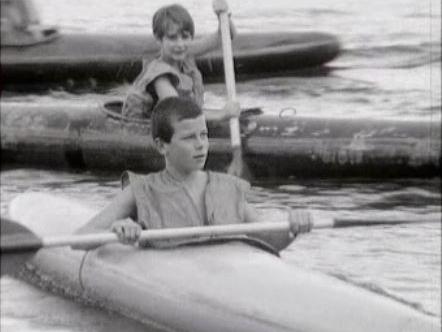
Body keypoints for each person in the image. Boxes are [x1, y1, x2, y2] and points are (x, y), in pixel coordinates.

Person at [73, 97, 312, 251]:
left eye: (204, 135)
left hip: (224, 280)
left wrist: (293, 228)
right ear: (161, 145)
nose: (200, 145)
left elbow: (268, 240)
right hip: (175, 285)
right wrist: (118, 228)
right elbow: (80, 238)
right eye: (189, 138)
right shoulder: (141, 191)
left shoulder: (226, 187)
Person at [122, 0, 240, 121]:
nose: (180, 44)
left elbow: (226, 34)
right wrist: (222, 114)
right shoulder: (159, 76)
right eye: (172, 38)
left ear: (190, 37)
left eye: (185, 37)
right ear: (159, 39)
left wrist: (222, 15)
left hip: (186, 120)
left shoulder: (185, 51)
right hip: (149, 129)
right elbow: (178, 112)